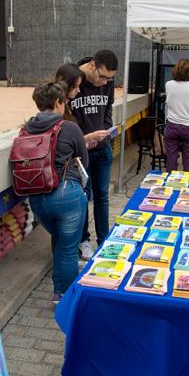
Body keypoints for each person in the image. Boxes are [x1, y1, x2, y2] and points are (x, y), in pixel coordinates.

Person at [25, 81, 89, 304]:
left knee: (61, 242)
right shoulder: (69, 127)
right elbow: (84, 160)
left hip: (37, 200)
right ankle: (68, 298)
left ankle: (58, 292)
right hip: (66, 195)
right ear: (58, 102)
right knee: (69, 249)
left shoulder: (26, 129)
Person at [70, 50, 118, 260]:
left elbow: (108, 109)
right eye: (103, 76)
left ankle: (104, 239)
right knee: (83, 198)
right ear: (91, 65)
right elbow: (64, 116)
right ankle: (84, 241)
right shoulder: (72, 81)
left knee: (102, 196)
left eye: (110, 78)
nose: (105, 82)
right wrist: (83, 140)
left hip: (103, 148)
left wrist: (105, 131)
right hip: (82, 153)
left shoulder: (107, 84)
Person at [55, 63, 109, 149]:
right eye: (75, 86)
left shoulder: (66, 104)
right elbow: (62, 144)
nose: (79, 90)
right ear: (66, 84)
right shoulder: (57, 108)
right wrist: (88, 137)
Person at [164, 58, 189, 172]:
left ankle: (169, 185)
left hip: (172, 125)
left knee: (171, 159)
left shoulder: (169, 84)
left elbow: (168, 102)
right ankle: (188, 187)